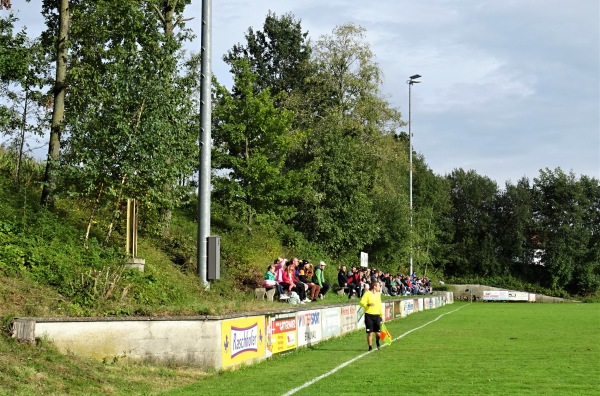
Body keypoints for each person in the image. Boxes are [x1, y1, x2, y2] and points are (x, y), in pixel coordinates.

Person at [359, 281, 383, 351]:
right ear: (374, 287)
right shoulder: (367, 294)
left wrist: (381, 314)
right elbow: (361, 303)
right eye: (378, 286)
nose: (379, 287)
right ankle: (370, 347)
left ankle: (377, 342)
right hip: (368, 315)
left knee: (378, 334)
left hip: (377, 315)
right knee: (370, 333)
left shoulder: (378, 294)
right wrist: (367, 304)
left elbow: (379, 305)